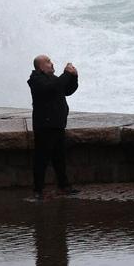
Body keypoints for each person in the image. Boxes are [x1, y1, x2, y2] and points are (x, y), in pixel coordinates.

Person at [28, 54, 79, 200]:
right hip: (45, 126)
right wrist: (66, 74)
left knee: (59, 158)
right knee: (42, 159)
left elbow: (67, 90)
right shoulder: (36, 80)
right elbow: (52, 88)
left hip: (57, 124)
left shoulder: (53, 79)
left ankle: (63, 186)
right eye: (48, 62)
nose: (52, 63)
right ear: (41, 66)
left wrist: (74, 77)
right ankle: (38, 190)